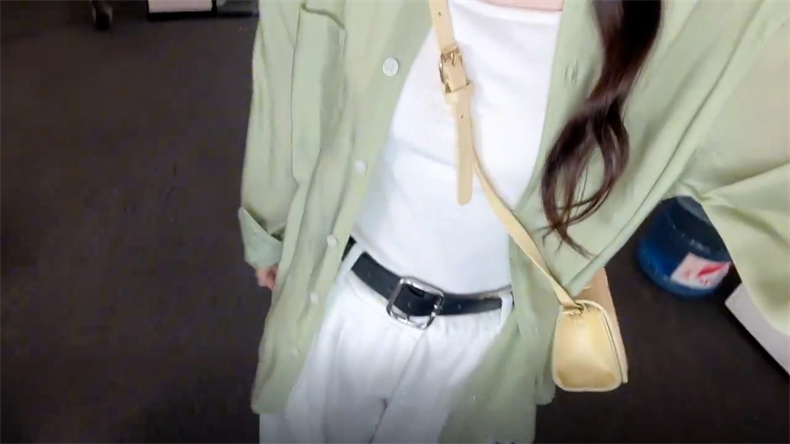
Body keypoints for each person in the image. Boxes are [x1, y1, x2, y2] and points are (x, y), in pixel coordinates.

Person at [239, 0, 789, 442]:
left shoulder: (718, 23)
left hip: (487, 352)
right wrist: (269, 229)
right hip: (332, 303)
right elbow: (285, 75)